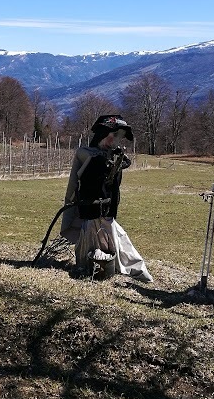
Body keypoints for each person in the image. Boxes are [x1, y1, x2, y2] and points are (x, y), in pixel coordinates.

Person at [60, 115, 153, 283]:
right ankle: (89, 265)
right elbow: (86, 172)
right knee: (90, 239)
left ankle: (117, 265)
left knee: (114, 237)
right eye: (113, 135)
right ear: (103, 134)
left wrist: (118, 162)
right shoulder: (86, 154)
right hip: (90, 209)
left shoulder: (113, 155)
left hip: (107, 209)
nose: (115, 141)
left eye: (119, 137)